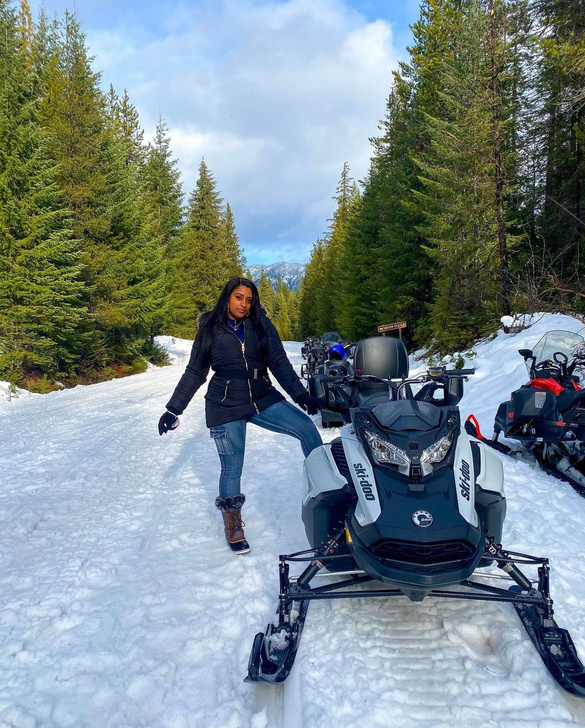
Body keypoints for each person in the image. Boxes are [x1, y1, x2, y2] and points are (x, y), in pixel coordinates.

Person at [158, 277, 323, 554]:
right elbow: (195, 371)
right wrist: (173, 408)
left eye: (249, 299)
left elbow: (279, 362)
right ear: (227, 297)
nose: (244, 304)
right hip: (225, 405)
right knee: (232, 467)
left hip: (262, 396)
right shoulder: (210, 328)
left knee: (306, 429)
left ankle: (327, 491)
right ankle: (233, 523)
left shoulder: (261, 324)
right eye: (239, 297)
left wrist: (301, 395)